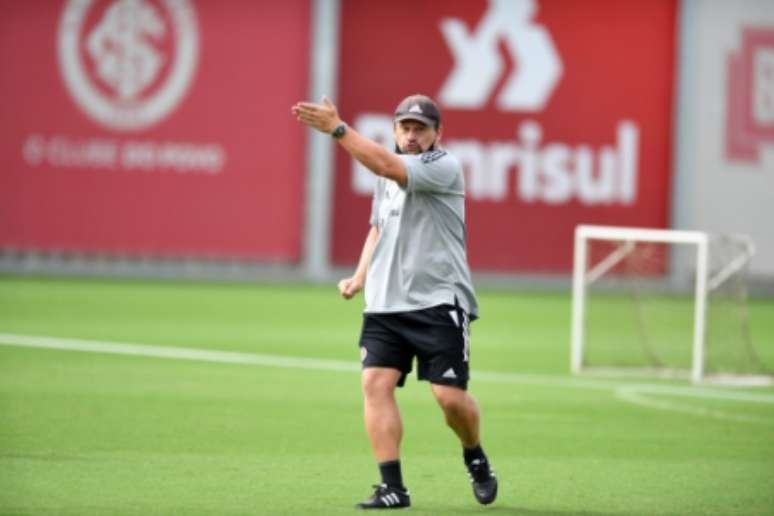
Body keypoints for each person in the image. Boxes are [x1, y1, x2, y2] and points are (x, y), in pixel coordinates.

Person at [292, 94, 497, 509]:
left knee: (449, 399)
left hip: (438, 299)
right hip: (385, 302)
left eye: (421, 128)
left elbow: (386, 164)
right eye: (404, 127)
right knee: (374, 383)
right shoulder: (386, 174)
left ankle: (474, 454)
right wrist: (359, 276)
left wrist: (337, 128)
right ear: (394, 130)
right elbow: (378, 228)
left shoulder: (443, 166)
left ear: (438, 133)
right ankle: (392, 487)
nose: (412, 134)